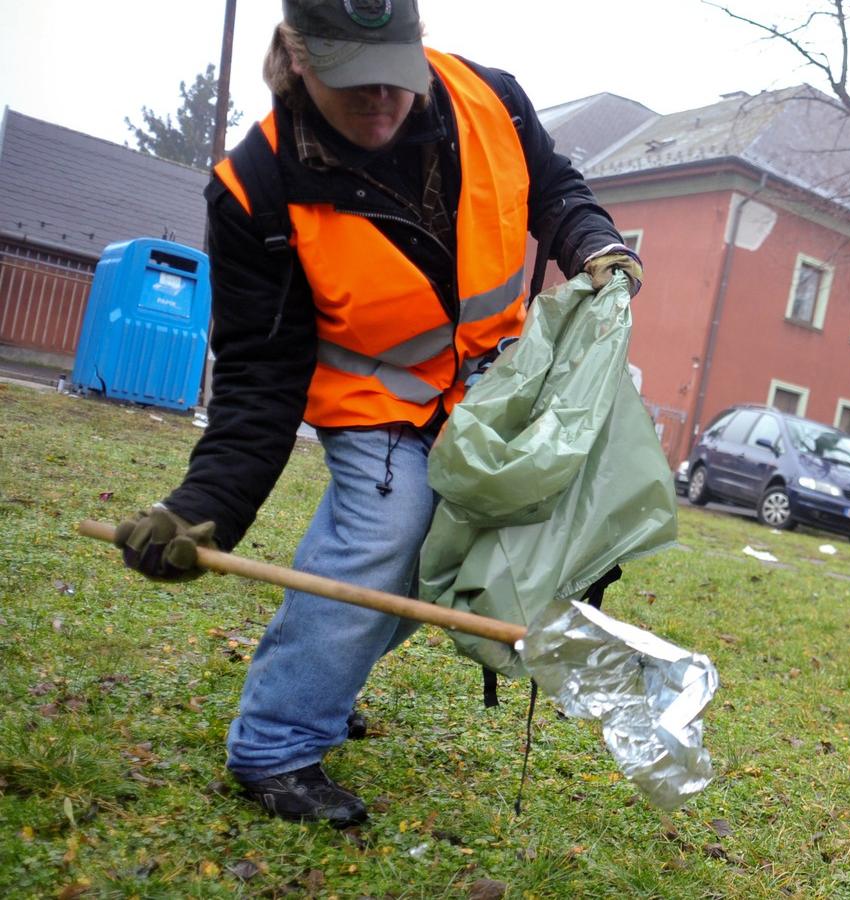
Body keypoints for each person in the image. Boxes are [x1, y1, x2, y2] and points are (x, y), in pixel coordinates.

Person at [113, 0, 641, 828]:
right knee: (383, 542)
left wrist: (594, 241)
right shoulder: (256, 189)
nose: (382, 103)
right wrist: (202, 511)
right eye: (354, 85)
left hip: (489, 387)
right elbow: (258, 380)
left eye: (395, 76)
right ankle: (277, 742)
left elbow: (555, 187)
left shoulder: (489, 101)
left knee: (448, 559)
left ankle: (326, 671)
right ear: (298, 59)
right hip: (377, 396)